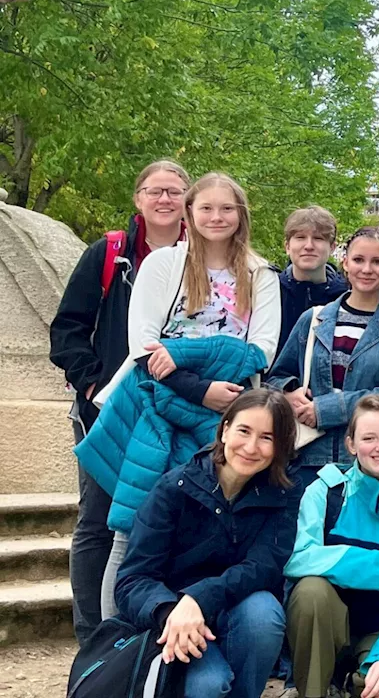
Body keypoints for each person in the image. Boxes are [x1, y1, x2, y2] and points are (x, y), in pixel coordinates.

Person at [80, 171, 283, 622]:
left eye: (227, 208)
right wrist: (201, 386)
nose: (216, 216)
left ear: (241, 215)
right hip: (157, 403)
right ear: (190, 213)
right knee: (129, 529)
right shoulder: (162, 265)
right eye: (206, 207)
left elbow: (260, 350)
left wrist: (187, 355)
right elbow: (144, 344)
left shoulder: (260, 273)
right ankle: (115, 645)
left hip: (225, 412)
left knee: (196, 527)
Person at [49, 158, 190, 645]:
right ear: (138, 199)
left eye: (175, 191)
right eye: (156, 191)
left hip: (179, 412)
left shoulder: (202, 258)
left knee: (167, 520)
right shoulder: (110, 254)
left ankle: (149, 630)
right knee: (99, 520)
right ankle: (93, 638)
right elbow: (68, 327)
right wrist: (92, 386)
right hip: (109, 410)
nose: (165, 200)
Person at [112, 389, 300, 698]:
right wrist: (170, 610)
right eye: (244, 431)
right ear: (225, 429)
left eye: (267, 438)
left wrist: (199, 597)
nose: (251, 447)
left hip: (233, 610)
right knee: (208, 684)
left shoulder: (283, 494)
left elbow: (264, 566)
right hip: (172, 617)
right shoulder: (175, 488)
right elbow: (133, 578)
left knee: (264, 613)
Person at [284, 395, 379, 698]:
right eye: (369, 438)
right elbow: (298, 559)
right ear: (351, 444)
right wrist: (378, 567)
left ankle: (357, 680)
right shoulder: (325, 490)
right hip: (328, 629)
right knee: (311, 590)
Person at [268, 227, 379, 488]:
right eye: (359, 260)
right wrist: (290, 392)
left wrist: (324, 410)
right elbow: (277, 376)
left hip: (368, 460)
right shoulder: (314, 319)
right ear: (345, 262)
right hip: (306, 454)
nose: (367, 269)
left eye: (377, 262)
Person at [278, 206, 349, 350]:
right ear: (287, 246)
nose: (309, 246)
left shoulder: (346, 296)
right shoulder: (270, 291)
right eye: (300, 237)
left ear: (332, 247)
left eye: (318, 238)